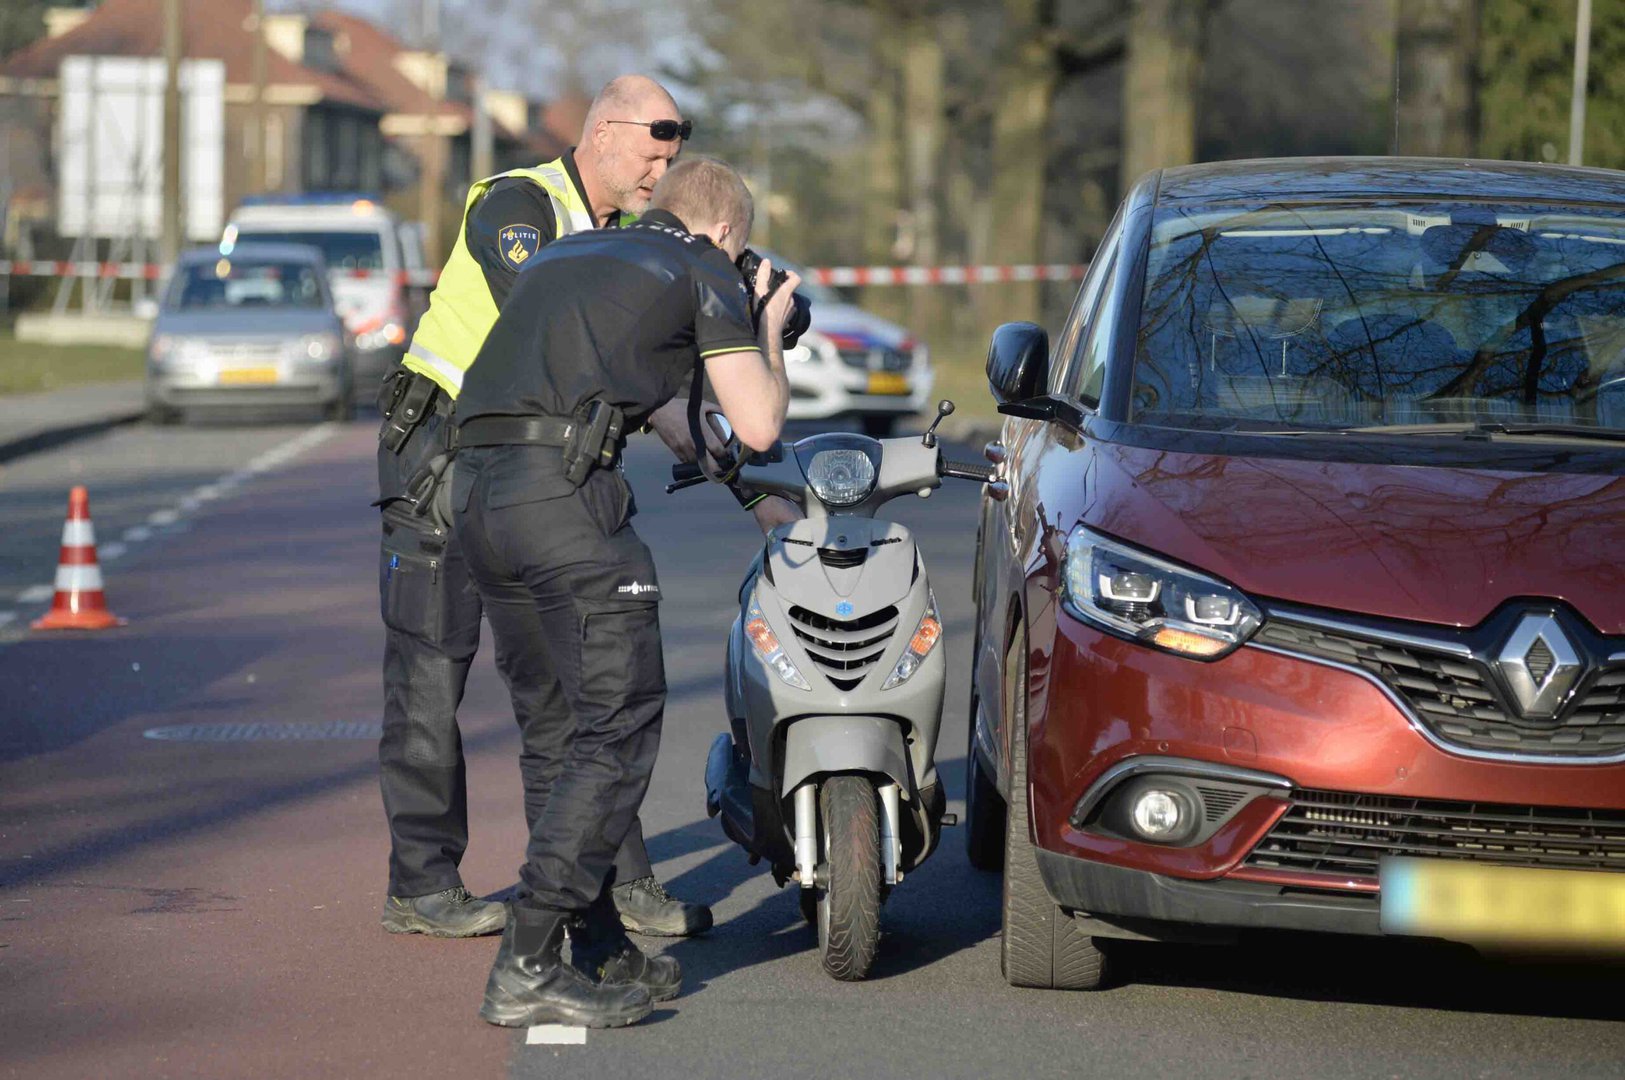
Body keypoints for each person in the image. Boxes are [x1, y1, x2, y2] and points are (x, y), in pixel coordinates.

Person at [376, 75, 731, 942]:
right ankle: (421, 884)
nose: (658, 173)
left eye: (670, 160)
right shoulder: (518, 205)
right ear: (602, 132)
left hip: (534, 462)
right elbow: (555, 327)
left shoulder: (623, 238)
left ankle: (613, 882)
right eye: (649, 154)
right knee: (431, 670)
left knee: (582, 677)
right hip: (440, 453)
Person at [449, 156, 798, 1028]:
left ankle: (597, 941)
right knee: (617, 725)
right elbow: (757, 423)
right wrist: (763, 326)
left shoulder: (569, 255)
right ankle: (528, 961)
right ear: (725, 230)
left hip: (477, 497)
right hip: (563, 505)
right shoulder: (702, 265)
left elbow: (686, 425)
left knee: (558, 732)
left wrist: (747, 485)